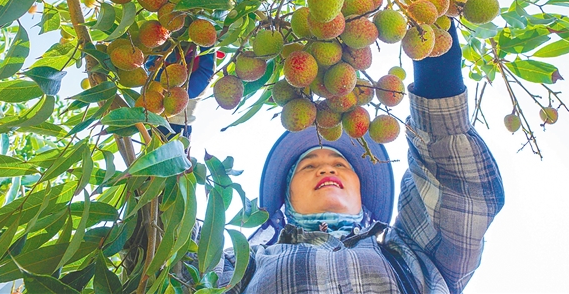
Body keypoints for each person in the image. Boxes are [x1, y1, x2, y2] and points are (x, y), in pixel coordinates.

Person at [213, 19, 505, 294]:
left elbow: (457, 190)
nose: (327, 169)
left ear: (361, 189)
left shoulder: (411, 254)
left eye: (340, 164)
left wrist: (431, 43)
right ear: (286, 195)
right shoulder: (240, 264)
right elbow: (177, 259)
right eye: (309, 165)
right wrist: (174, 120)